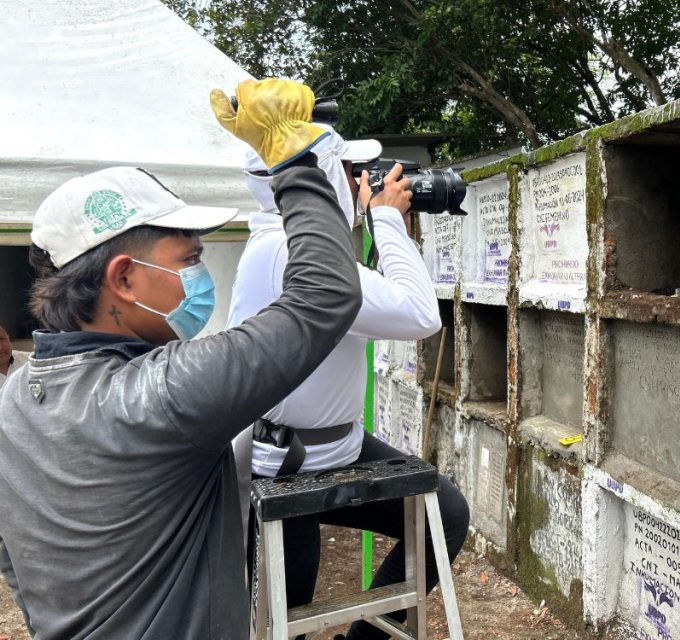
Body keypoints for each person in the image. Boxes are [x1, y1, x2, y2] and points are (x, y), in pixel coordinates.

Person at [0, 78, 414, 639]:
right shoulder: (163, 394)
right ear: (123, 278)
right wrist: (294, 160)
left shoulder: (14, 402)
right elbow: (325, 297)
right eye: (188, 260)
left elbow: (13, 558)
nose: (198, 279)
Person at [229, 125, 470, 640]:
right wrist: (385, 217)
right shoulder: (292, 254)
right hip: (287, 465)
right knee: (284, 615)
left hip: (340, 447)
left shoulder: (302, 247)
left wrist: (374, 222)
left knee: (444, 515)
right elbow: (420, 314)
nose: (361, 182)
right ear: (311, 183)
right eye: (348, 172)